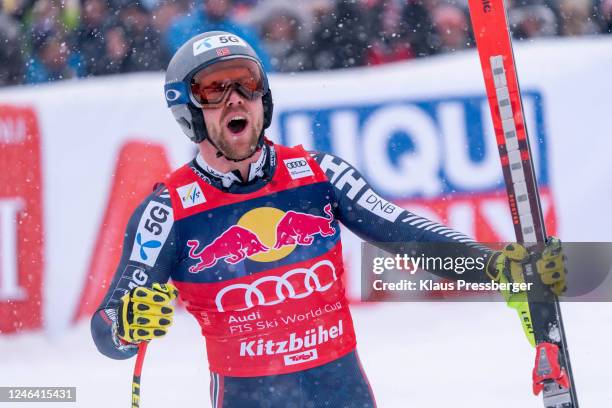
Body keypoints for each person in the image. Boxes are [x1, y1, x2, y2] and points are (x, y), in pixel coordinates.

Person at [91, 31, 567, 407]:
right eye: (215, 88)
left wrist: (490, 266)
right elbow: (109, 327)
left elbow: (402, 232)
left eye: (247, 83)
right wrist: (126, 325)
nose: (236, 98)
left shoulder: (319, 173)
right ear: (188, 111)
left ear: (265, 98)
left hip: (341, 393)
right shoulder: (168, 210)